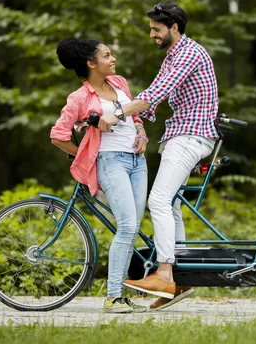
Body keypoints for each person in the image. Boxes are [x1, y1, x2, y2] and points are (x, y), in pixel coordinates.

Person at [98, 1, 219, 310]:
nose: (151, 34)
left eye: (156, 29)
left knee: (158, 201)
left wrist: (116, 113)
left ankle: (164, 273)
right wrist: (133, 122)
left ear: (174, 28)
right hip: (182, 134)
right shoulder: (173, 55)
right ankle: (180, 280)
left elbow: (153, 94)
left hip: (190, 136)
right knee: (173, 206)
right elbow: (150, 104)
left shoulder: (188, 53)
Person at [50, 38, 149, 314]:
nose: (113, 58)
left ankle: (123, 295)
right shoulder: (79, 98)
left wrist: (141, 134)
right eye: (107, 55)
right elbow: (58, 136)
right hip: (110, 162)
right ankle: (113, 298)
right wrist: (82, 153)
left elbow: (135, 116)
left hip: (137, 161)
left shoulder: (120, 83)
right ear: (91, 64)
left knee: (132, 228)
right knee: (128, 226)